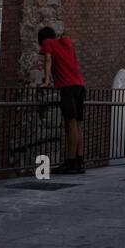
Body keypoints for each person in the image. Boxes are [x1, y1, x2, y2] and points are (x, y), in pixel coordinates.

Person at [38, 27, 86, 174]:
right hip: (80, 85)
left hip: (68, 87)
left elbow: (48, 60)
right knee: (77, 124)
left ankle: (70, 162)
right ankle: (79, 160)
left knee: (70, 124)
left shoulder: (48, 43)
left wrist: (46, 81)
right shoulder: (67, 42)